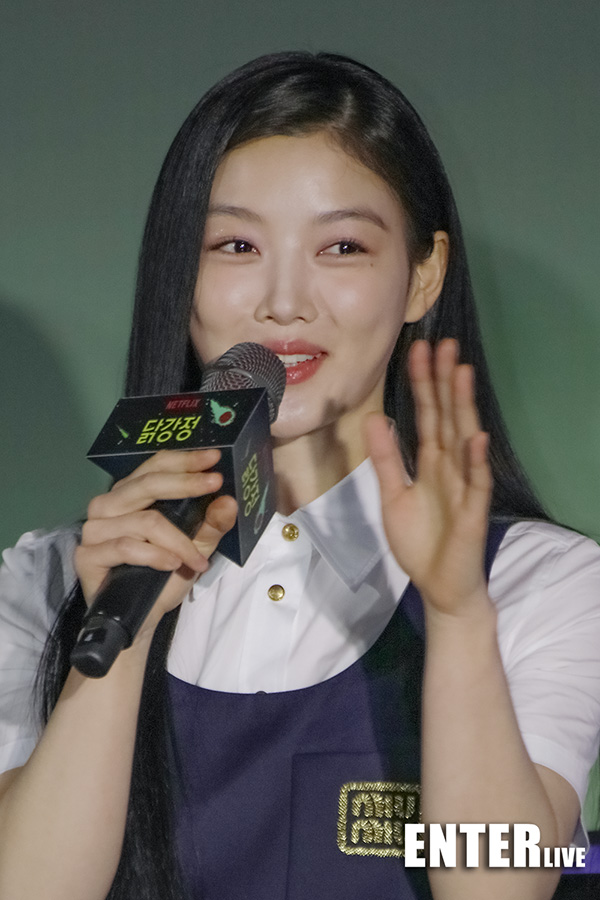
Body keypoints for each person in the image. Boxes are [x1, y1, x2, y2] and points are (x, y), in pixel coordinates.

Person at [0, 51, 599, 900]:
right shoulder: (47, 582)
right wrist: (119, 640)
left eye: (342, 247)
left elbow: (500, 888)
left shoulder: (541, 581)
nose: (284, 301)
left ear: (423, 275)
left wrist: (459, 617)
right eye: (237, 245)